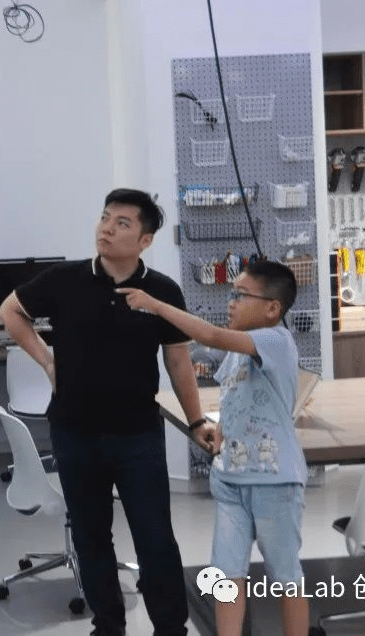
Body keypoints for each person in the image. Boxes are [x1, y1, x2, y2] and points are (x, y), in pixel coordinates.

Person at [0, 188, 214, 636]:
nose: (107, 228)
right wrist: (46, 360)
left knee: (155, 537)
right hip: (74, 432)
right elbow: (10, 310)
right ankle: (108, 626)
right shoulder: (65, 280)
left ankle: (170, 627)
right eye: (104, 218)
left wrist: (196, 421)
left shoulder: (161, 291)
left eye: (122, 223)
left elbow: (177, 361)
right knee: (91, 535)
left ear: (145, 240)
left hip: (138, 435)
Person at [118, 259, 309, 636]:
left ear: (272, 308)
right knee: (226, 574)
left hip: (274, 483)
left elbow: (210, 335)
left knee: (286, 577)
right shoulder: (239, 349)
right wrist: (219, 429)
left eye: (241, 295)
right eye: (231, 293)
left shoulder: (276, 341)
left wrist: (155, 306)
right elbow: (235, 396)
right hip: (231, 481)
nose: (231, 302)